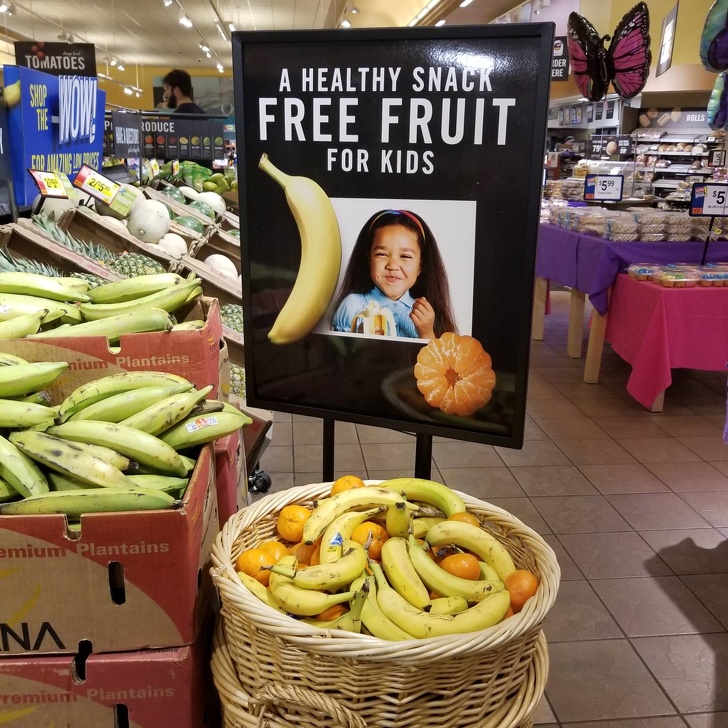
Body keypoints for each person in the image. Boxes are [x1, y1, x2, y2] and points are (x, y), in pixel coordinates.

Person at [330, 209, 457, 340]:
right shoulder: (352, 305)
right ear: (369, 260)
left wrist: (426, 333)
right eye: (382, 254)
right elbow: (339, 356)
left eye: (405, 256)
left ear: (420, 266)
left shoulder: (426, 315)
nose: (393, 265)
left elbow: (433, 359)